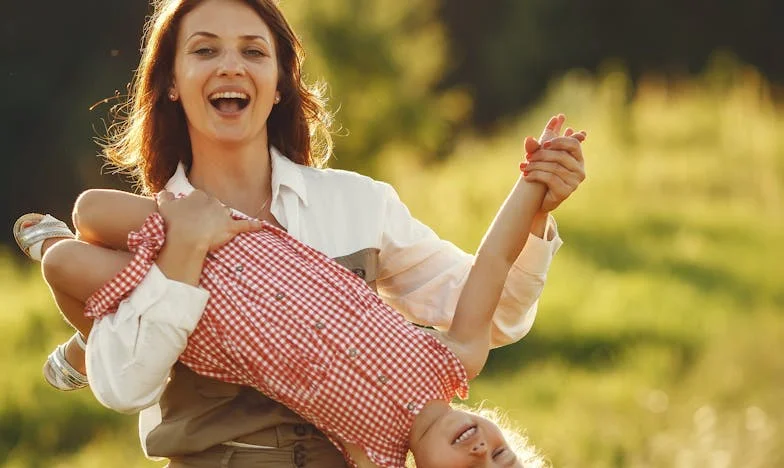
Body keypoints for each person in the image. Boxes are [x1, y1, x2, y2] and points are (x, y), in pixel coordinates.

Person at [14, 0, 586, 466]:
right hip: (214, 430)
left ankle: (93, 336)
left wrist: (543, 208)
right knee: (91, 211)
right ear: (170, 81)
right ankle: (96, 337)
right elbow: (126, 390)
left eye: (253, 52)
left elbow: (503, 311)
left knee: (65, 263)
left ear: (280, 83)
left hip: (217, 326)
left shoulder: (377, 453)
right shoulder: (449, 361)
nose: (232, 67)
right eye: (206, 49)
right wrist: (532, 189)